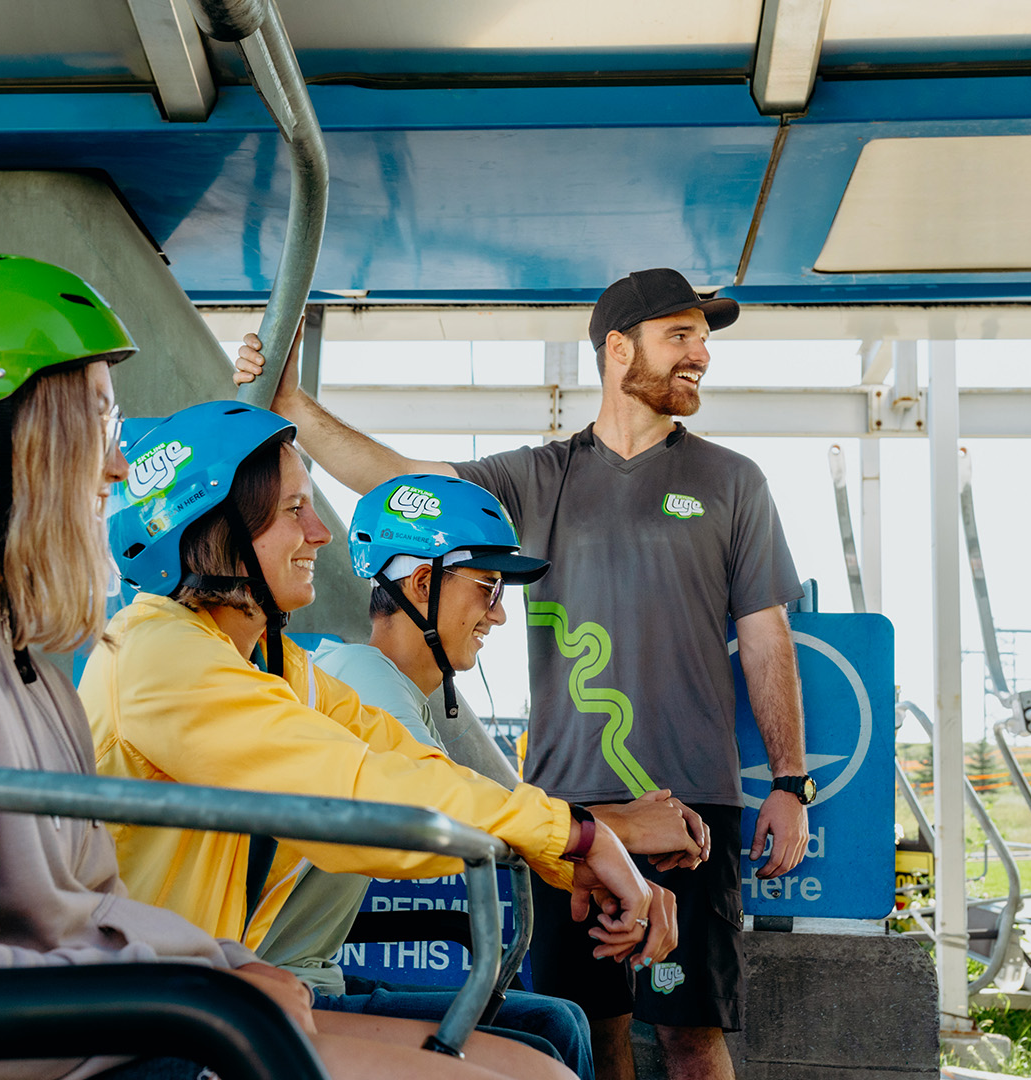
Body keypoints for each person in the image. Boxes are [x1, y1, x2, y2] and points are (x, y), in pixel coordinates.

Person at [0, 253, 580, 1080]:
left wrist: (224, 969)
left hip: (84, 1034)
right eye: (96, 418)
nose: (117, 462)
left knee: (533, 1065)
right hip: (9, 1056)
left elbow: (85, 904)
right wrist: (199, 998)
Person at [231, 268, 813, 1080]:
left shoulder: (731, 481)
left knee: (692, 1036)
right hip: (562, 806)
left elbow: (765, 637)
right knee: (588, 1027)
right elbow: (409, 491)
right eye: (681, 336)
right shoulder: (536, 476)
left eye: (703, 339)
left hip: (690, 811)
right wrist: (294, 408)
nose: (701, 356)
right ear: (618, 349)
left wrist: (791, 781)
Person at [79, 404, 684, 1035]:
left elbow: (398, 758)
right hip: (145, 1015)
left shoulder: (276, 663)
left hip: (207, 985)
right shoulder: (161, 655)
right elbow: (358, 791)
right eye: (294, 511)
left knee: (554, 1034)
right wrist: (578, 837)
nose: (320, 532)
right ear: (215, 528)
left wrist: (566, 847)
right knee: (540, 1055)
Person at [253, 474, 715, 1080]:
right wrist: (613, 829)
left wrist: (585, 858)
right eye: (488, 587)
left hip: (313, 975)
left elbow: (472, 805)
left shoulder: (389, 691)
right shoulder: (362, 679)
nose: (498, 614)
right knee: (548, 1043)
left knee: (558, 1023)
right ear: (422, 585)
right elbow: (437, 815)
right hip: (277, 988)